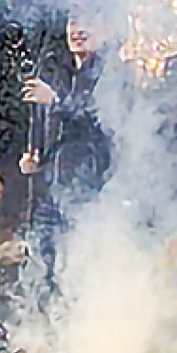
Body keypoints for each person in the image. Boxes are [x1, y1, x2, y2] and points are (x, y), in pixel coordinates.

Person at [19, 16, 111, 288]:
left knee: (78, 263)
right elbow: (42, 119)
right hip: (49, 187)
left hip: (88, 188)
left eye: (87, 21)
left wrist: (56, 101)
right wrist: (34, 153)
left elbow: (99, 121)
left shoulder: (113, 74)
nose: (78, 30)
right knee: (41, 262)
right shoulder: (59, 71)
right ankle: (42, 324)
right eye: (73, 21)